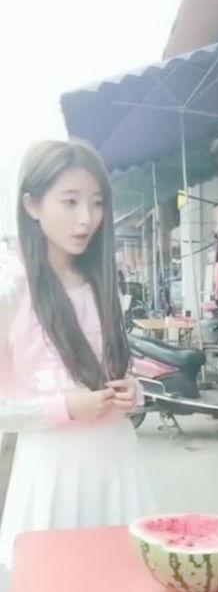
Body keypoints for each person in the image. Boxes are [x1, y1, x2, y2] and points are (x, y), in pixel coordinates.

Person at [0, 138, 158, 568]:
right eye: (69, 202)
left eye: (96, 202)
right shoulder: (12, 289)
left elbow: (112, 369)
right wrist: (66, 407)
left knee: (123, 584)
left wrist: (132, 391)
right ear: (32, 205)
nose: (86, 218)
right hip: (52, 473)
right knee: (59, 589)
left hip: (117, 462)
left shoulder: (100, 280)